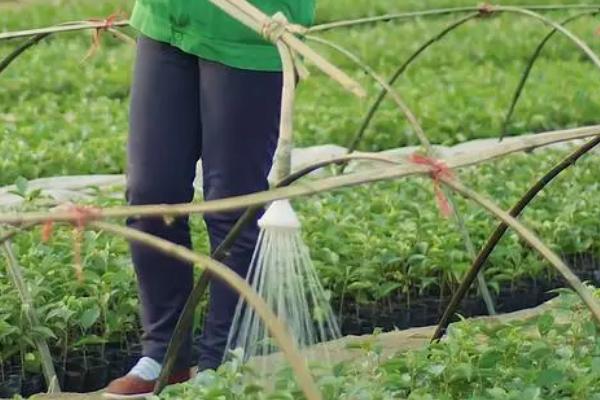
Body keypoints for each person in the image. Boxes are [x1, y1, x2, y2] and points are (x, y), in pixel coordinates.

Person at [103, 1, 315, 398]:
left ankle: (222, 363)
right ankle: (165, 353)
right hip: (168, 19)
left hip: (248, 31)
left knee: (230, 205)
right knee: (151, 193)